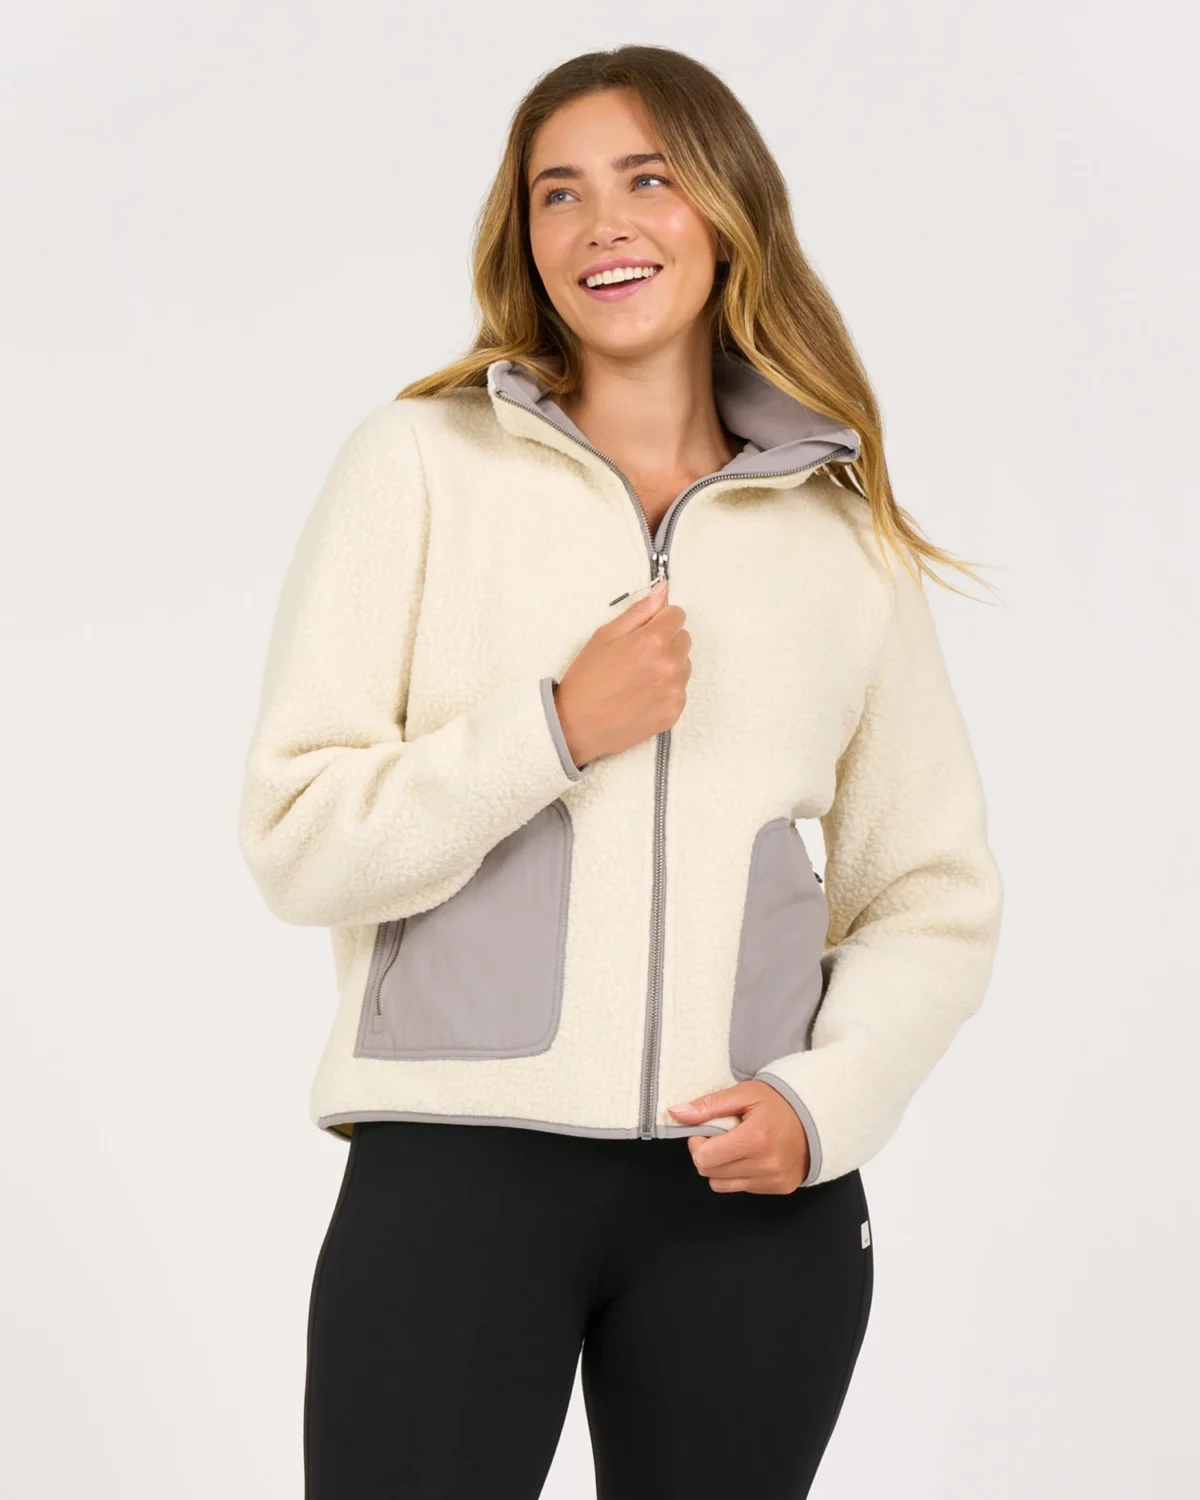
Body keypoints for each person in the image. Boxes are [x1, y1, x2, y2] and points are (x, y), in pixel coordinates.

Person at [237, 43, 1004, 1500]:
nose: (604, 226)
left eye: (649, 180)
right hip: (457, 1171)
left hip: (746, 1190)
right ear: (523, 235)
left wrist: (825, 1101)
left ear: (727, 211)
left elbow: (931, 893)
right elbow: (297, 835)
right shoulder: (420, 465)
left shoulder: (839, 535)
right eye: (560, 192)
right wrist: (551, 731)